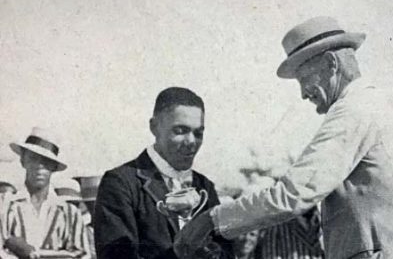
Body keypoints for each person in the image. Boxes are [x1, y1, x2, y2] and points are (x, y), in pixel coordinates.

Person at [174, 16, 393, 259]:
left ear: (331, 64)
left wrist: (212, 219)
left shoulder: (355, 111)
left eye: (304, 79)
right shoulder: (370, 106)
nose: (302, 94)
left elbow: (294, 192)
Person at [94, 87, 233, 259]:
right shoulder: (120, 183)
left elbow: (226, 251)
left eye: (198, 133)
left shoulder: (204, 186)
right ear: (154, 127)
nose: (191, 142)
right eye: (180, 131)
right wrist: (177, 253)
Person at [2, 127, 90, 258]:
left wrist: (32, 254)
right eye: (33, 158)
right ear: (23, 161)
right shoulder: (4, 204)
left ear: (54, 167)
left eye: (46, 161)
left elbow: (82, 255)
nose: (39, 166)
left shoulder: (70, 213)